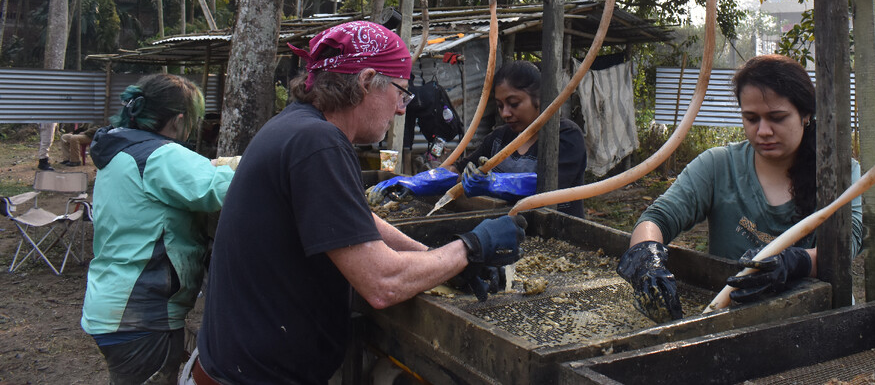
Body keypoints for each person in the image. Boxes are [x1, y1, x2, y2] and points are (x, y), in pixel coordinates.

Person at [191, 21, 525, 385]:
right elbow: (382, 283)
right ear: (366, 82)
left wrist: (436, 257)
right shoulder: (318, 143)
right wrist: (471, 247)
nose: (402, 110)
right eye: (401, 93)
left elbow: (358, 220)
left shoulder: (297, 127)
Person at [617, 54, 863, 322]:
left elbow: (846, 246)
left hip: (820, 316)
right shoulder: (718, 166)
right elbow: (657, 218)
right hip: (732, 318)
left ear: (805, 115)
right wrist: (645, 259)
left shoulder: (838, 172)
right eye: (751, 118)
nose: (764, 131)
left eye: (777, 117)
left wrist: (795, 262)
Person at [81, 74, 234, 385]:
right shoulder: (160, 155)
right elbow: (221, 190)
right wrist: (260, 161)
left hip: (111, 303)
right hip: (140, 314)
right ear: (178, 121)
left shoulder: (121, 151)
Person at [454, 60, 589, 217]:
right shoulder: (499, 139)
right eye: (500, 105)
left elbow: (547, 188)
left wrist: (494, 183)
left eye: (513, 103)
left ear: (540, 99)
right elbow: (459, 170)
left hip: (557, 231)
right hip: (507, 229)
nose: (505, 113)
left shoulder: (567, 136)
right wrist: (436, 177)